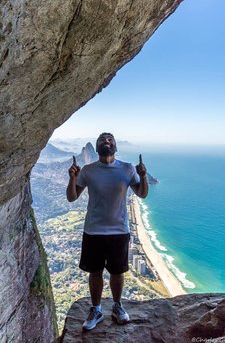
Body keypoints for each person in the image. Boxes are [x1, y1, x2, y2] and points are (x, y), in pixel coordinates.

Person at [66, 132, 148, 332]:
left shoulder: (127, 169)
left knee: (117, 272)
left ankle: (117, 306)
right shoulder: (88, 170)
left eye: (110, 139)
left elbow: (142, 193)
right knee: (95, 272)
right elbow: (72, 197)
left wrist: (143, 176)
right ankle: (96, 309)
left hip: (119, 230)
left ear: (115, 146)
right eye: (102, 139)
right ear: (97, 146)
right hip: (93, 230)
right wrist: (73, 178)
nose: (106, 141)